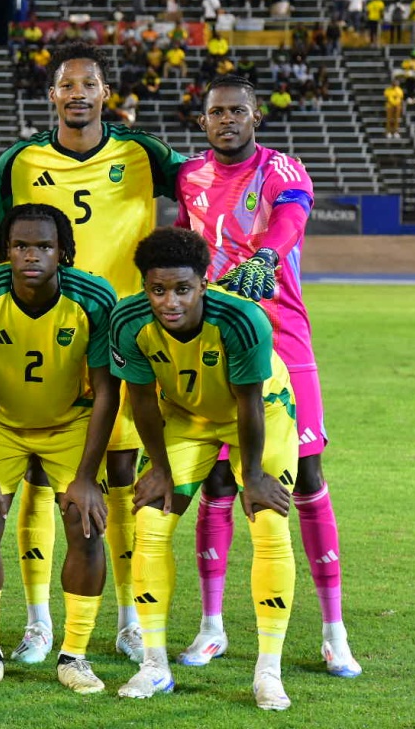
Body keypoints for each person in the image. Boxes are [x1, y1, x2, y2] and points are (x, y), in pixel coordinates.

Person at [0, 43, 187, 666]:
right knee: (35, 479)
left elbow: (207, 175)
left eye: (90, 83)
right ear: (52, 95)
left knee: (122, 481)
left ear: (107, 94)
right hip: (45, 332)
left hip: (124, 335)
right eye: (67, 84)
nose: (78, 93)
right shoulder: (19, 160)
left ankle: (130, 619)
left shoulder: (141, 152)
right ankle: (38, 622)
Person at [174, 73, 362, 678]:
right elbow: (185, 242)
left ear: (256, 117)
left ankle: (334, 630)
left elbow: (290, 221)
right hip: (217, 338)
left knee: (306, 475)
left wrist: (266, 257)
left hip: (284, 338)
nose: (227, 120)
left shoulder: (283, 170)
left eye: (238, 111)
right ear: (202, 122)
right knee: (221, 478)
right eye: (216, 112)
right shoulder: (190, 177)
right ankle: (211, 629)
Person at [111, 226, 297, 711]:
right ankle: (154, 666)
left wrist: (253, 475)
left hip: (261, 414)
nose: (169, 302)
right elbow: (142, 401)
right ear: (144, 286)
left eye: (182, 289)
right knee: (150, 521)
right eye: (157, 290)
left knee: (270, 524)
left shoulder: (241, 319)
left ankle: (268, 672)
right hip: (186, 417)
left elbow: (249, 402)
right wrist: (159, 469)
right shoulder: (128, 321)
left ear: (203, 282)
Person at [0, 204, 120, 695]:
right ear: (5, 250)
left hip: (70, 422)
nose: (31, 255)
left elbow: (107, 391)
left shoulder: (92, 298)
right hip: (1, 420)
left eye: (44, 246)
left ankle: (75, 655)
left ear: (63, 252)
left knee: (85, 525)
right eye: (21, 246)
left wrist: (87, 477)